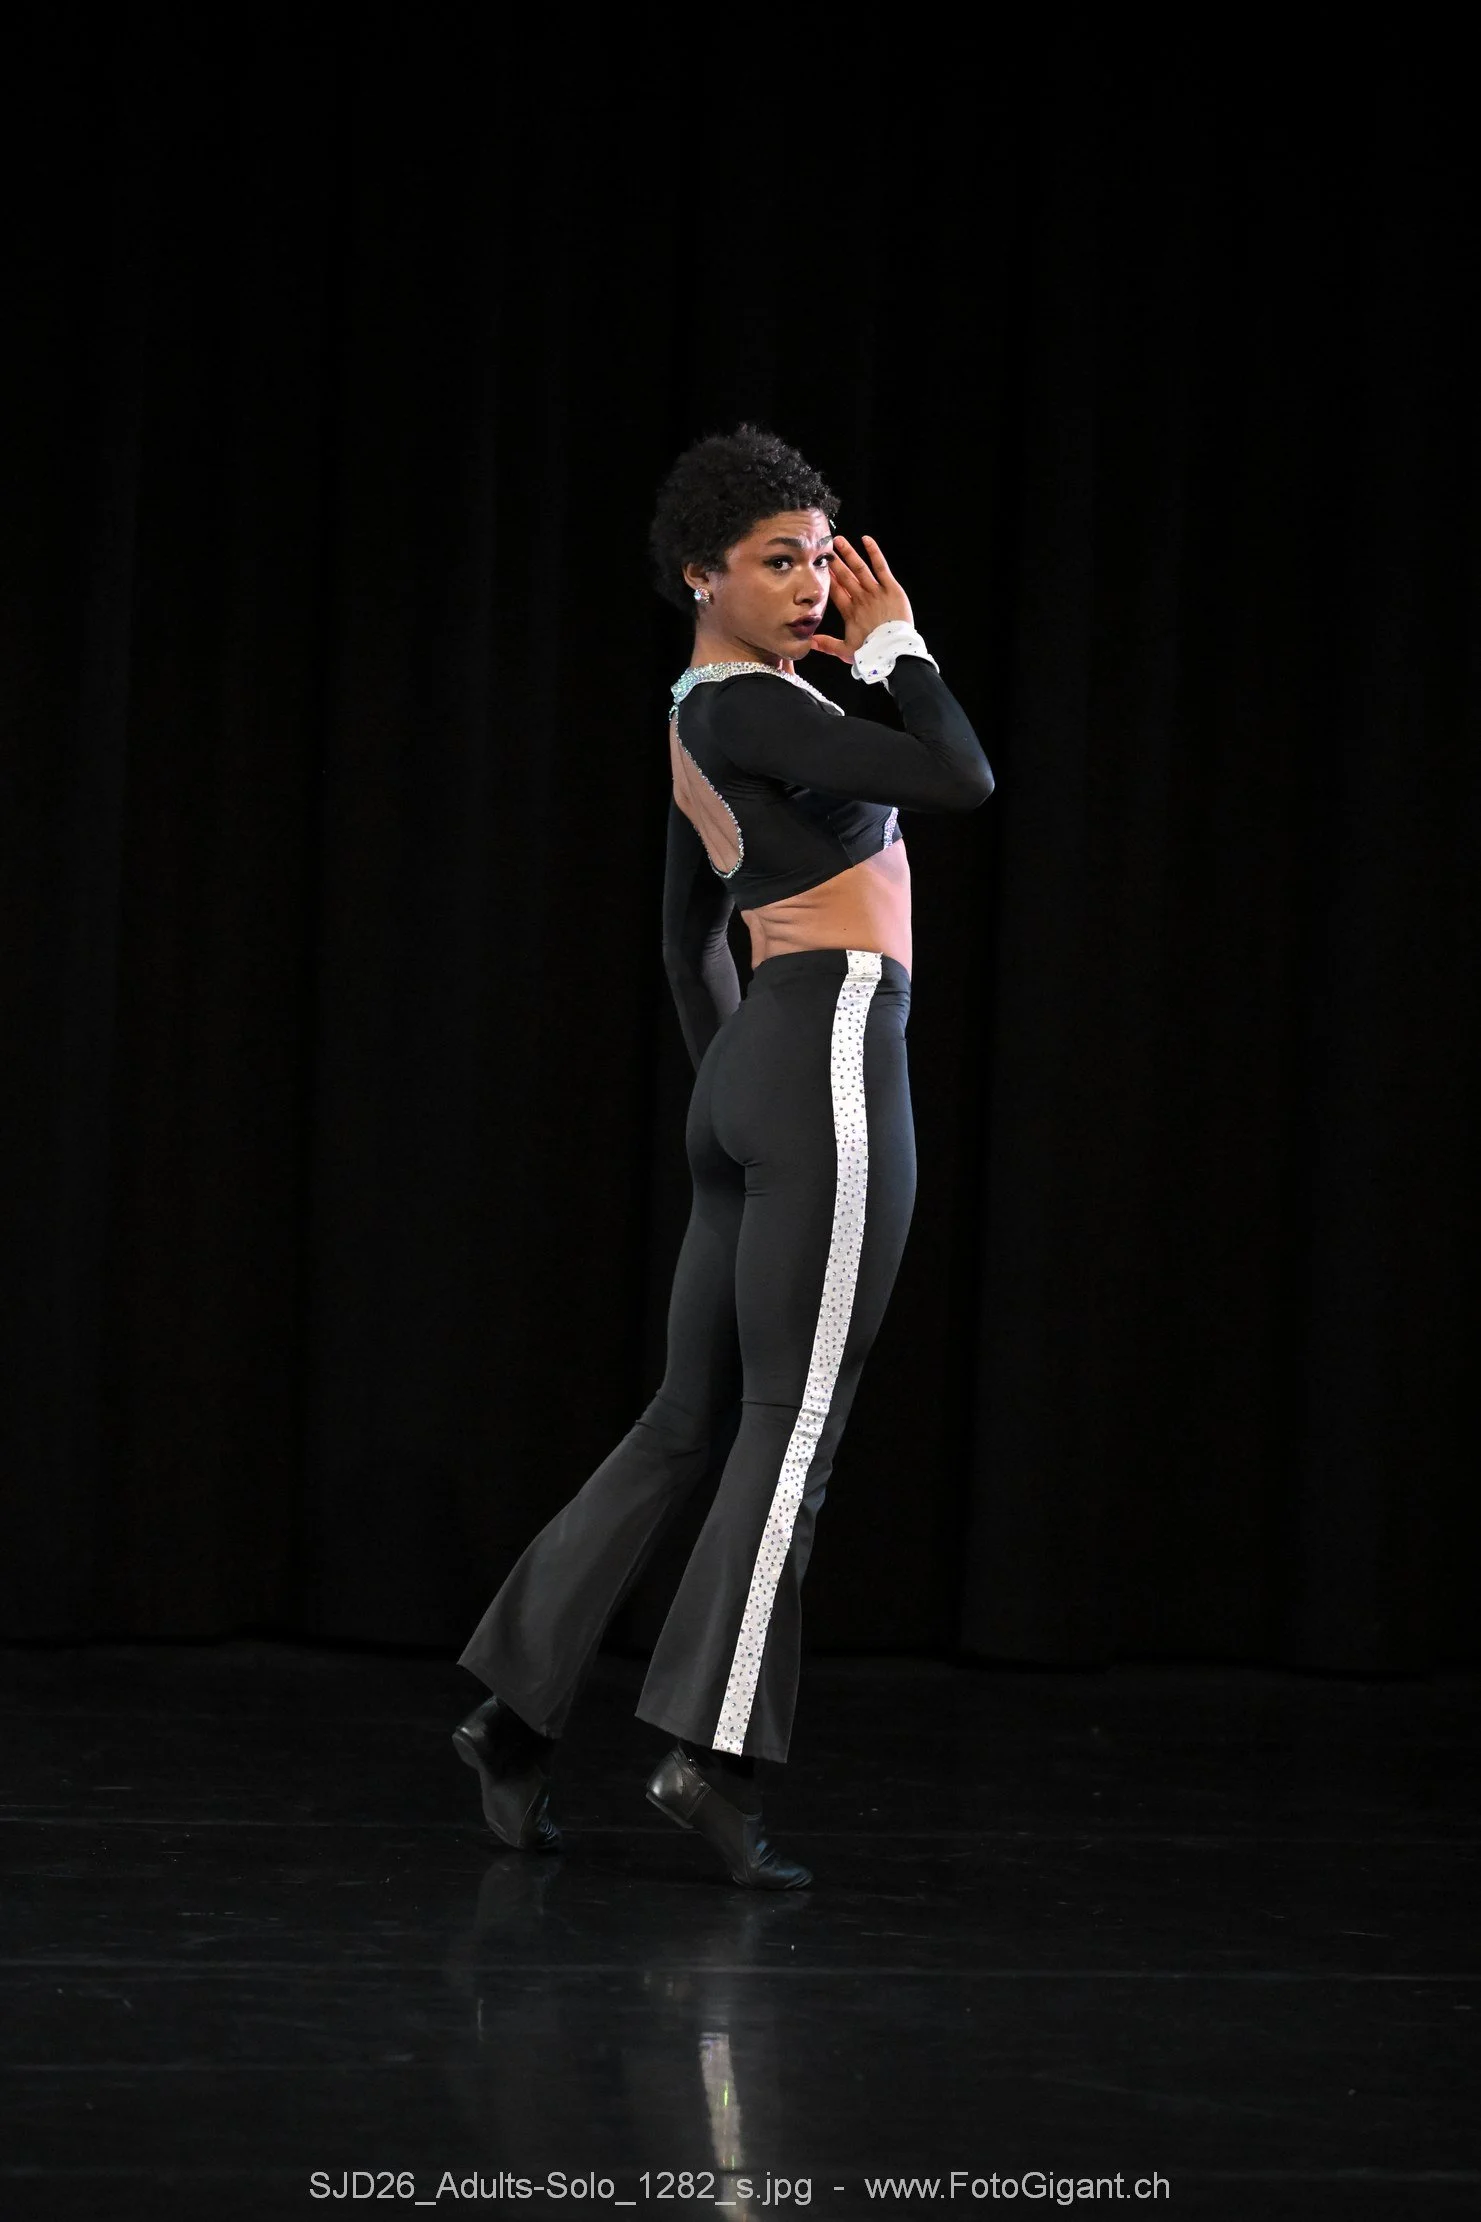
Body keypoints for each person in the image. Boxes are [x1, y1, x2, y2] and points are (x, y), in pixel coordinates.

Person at [452, 425, 994, 1888]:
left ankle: (513, 1714)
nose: (814, 585)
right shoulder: (756, 706)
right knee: (790, 1423)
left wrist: (736, 1103)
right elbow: (961, 776)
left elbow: (688, 934)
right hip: (826, 1053)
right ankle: (711, 1752)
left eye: (822, 556)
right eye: (777, 561)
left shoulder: (706, 714)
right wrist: (900, 648)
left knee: (685, 1419)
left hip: (760, 1076)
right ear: (702, 573)